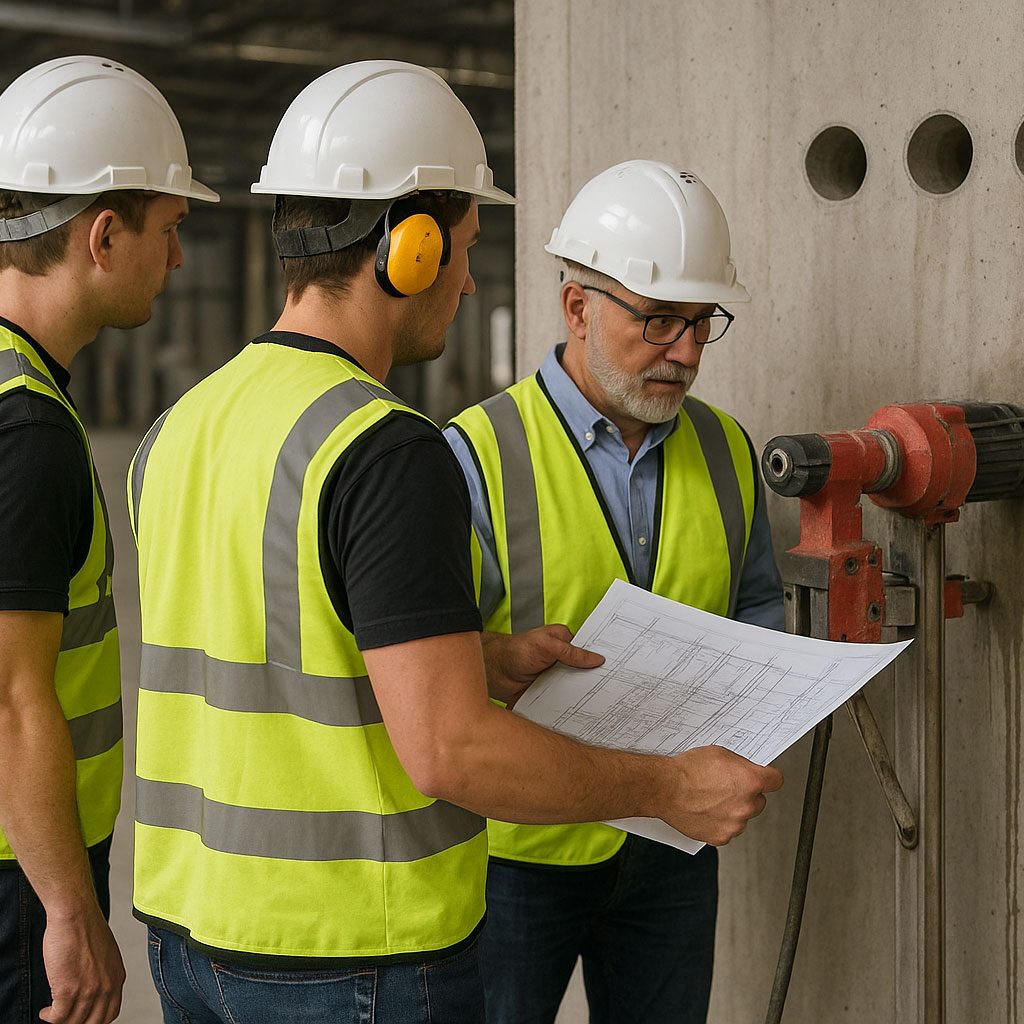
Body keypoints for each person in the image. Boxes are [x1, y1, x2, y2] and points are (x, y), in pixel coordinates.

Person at [129, 66, 781, 1024]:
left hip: (192, 936)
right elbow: (447, 750)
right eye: (468, 246)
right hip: (350, 948)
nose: (471, 281)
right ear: (412, 245)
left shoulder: (180, 426)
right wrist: (669, 785)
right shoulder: (383, 448)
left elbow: (284, 650)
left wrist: (481, 655)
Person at [445, 158, 786, 1024]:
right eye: (659, 321)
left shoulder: (728, 449)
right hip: (513, 853)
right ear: (577, 307)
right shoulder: (473, 455)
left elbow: (757, 606)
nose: (685, 352)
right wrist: (494, 659)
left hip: (673, 847)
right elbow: (425, 665)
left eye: (703, 323)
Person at [0, 55, 217, 1024]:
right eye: (167, 230)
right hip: (18, 866)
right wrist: (69, 911)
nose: (176, 261)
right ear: (101, 235)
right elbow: (11, 699)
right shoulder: (27, 426)